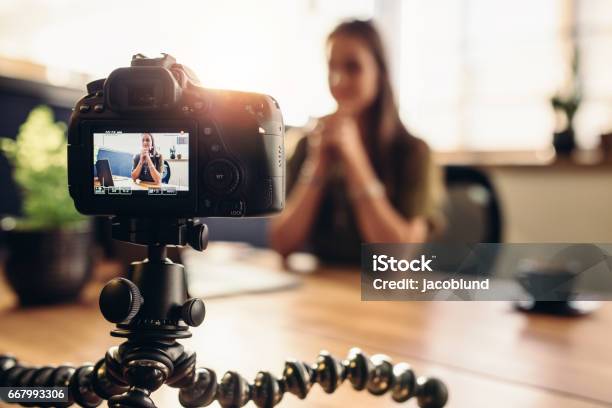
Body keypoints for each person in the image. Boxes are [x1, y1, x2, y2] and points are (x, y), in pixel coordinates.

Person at [269, 20, 445, 264]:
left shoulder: (413, 152)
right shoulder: (309, 145)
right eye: (332, 67)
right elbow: (281, 244)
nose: (339, 80)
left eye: (353, 67)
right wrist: (318, 165)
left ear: (380, 73)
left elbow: (398, 258)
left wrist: (355, 159)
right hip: (325, 291)